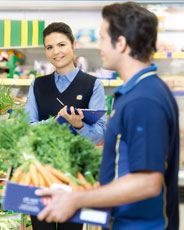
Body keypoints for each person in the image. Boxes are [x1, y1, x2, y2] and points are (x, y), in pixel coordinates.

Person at [35, 2, 180, 230]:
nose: (98, 45)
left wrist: (77, 199)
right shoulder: (134, 92)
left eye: (102, 38)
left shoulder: (143, 99)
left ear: (120, 43)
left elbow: (147, 183)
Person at [25, 22, 106, 230]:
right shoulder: (37, 85)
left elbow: (99, 134)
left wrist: (79, 126)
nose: (55, 52)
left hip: (76, 177)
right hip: (41, 174)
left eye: (61, 45)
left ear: (73, 45)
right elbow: (27, 128)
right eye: (49, 47)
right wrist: (53, 122)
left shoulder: (92, 84)